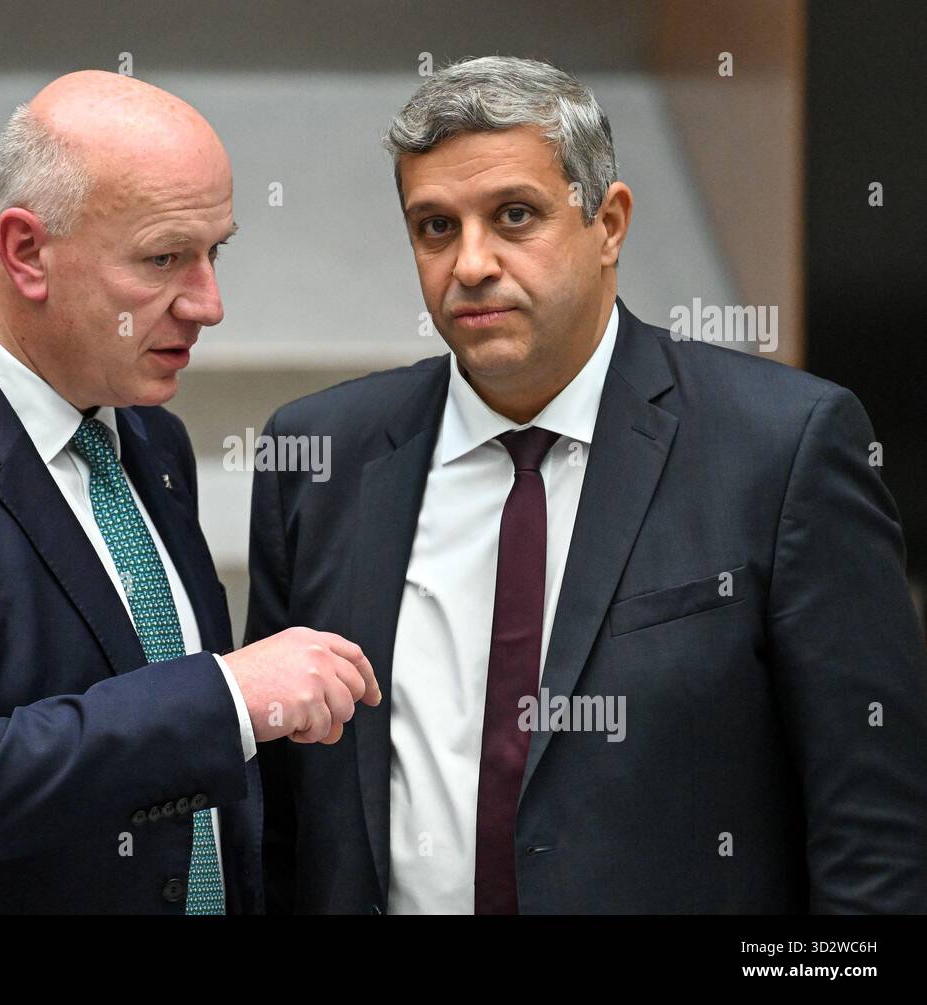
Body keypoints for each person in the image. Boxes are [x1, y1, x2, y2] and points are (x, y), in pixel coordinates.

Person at [248, 55, 927, 914]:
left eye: (514, 216)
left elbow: (872, 828)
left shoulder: (783, 446)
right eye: (435, 227)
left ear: (608, 223)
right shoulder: (320, 457)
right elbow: (279, 819)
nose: (471, 263)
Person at [0, 70, 379, 914]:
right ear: (26, 252)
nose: (210, 303)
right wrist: (228, 696)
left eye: (215, 251)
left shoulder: (147, 434)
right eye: (164, 258)